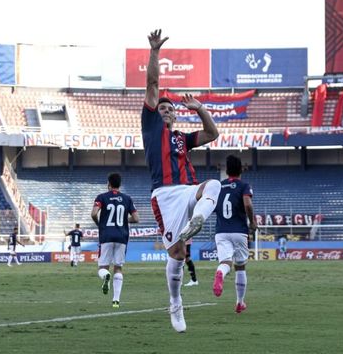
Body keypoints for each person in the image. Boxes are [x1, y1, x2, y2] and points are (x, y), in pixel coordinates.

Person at [142, 29, 220, 333]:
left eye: (169, 108)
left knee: (213, 185)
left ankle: (196, 222)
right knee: (177, 254)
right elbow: (152, 84)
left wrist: (199, 108)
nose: (165, 110)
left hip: (188, 191)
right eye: (161, 108)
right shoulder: (150, 128)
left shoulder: (181, 139)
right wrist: (154, 51)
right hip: (164, 195)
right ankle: (175, 302)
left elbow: (213, 134)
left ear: (175, 115)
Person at [213, 155, 257, 314]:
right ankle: (239, 302)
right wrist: (252, 221)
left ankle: (220, 273)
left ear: (226, 170)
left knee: (225, 262)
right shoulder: (244, 186)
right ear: (241, 170)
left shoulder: (218, 187)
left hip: (221, 231)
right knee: (240, 266)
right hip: (239, 230)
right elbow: (247, 203)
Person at [91, 172, 140, 308]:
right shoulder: (127, 198)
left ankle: (106, 276)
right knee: (118, 267)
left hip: (106, 235)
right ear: (120, 184)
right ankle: (116, 300)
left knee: (103, 267)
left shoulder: (102, 197)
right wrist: (125, 220)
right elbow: (136, 218)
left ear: (108, 184)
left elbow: (94, 213)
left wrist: (100, 223)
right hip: (122, 236)